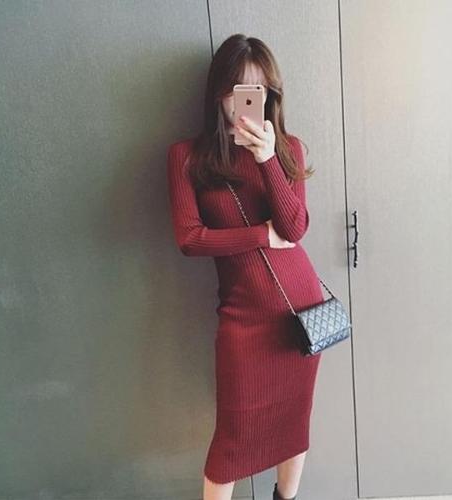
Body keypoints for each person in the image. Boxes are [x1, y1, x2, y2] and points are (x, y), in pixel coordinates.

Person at [167, 33, 324, 500]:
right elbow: (190, 239)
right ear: (219, 92)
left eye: (259, 89)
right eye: (239, 89)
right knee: (231, 442)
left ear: (270, 94)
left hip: (300, 313)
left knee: (294, 424)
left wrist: (268, 159)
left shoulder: (288, 147)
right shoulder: (187, 157)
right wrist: (260, 236)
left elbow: (294, 228)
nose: (248, 101)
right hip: (242, 321)